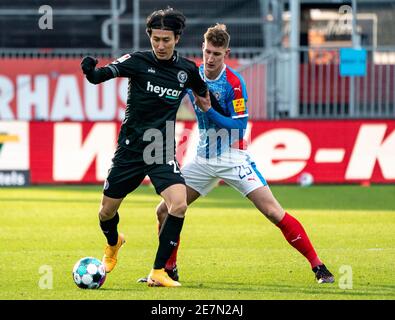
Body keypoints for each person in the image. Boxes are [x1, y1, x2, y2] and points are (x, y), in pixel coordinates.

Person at [139, 23, 334, 284]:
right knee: (164, 210)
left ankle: (318, 266)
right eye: (207, 52)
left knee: (274, 212)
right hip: (202, 159)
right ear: (202, 48)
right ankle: (168, 269)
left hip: (233, 157)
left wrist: (209, 111)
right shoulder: (193, 74)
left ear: (226, 53)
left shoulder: (234, 83)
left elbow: (240, 127)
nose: (210, 58)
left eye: (216, 54)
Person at [80, 8, 212, 287]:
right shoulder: (137, 61)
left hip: (161, 146)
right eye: (156, 39)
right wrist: (90, 70)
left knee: (178, 204)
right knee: (106, 212)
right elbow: (100, 76)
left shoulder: (187, 70)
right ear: (150, 37)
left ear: (177, 38)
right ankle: (114, 243)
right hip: (130, 148)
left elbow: (204, 99)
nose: (161, 45)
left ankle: (159, 271)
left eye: (166, 39)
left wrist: (211, 106)